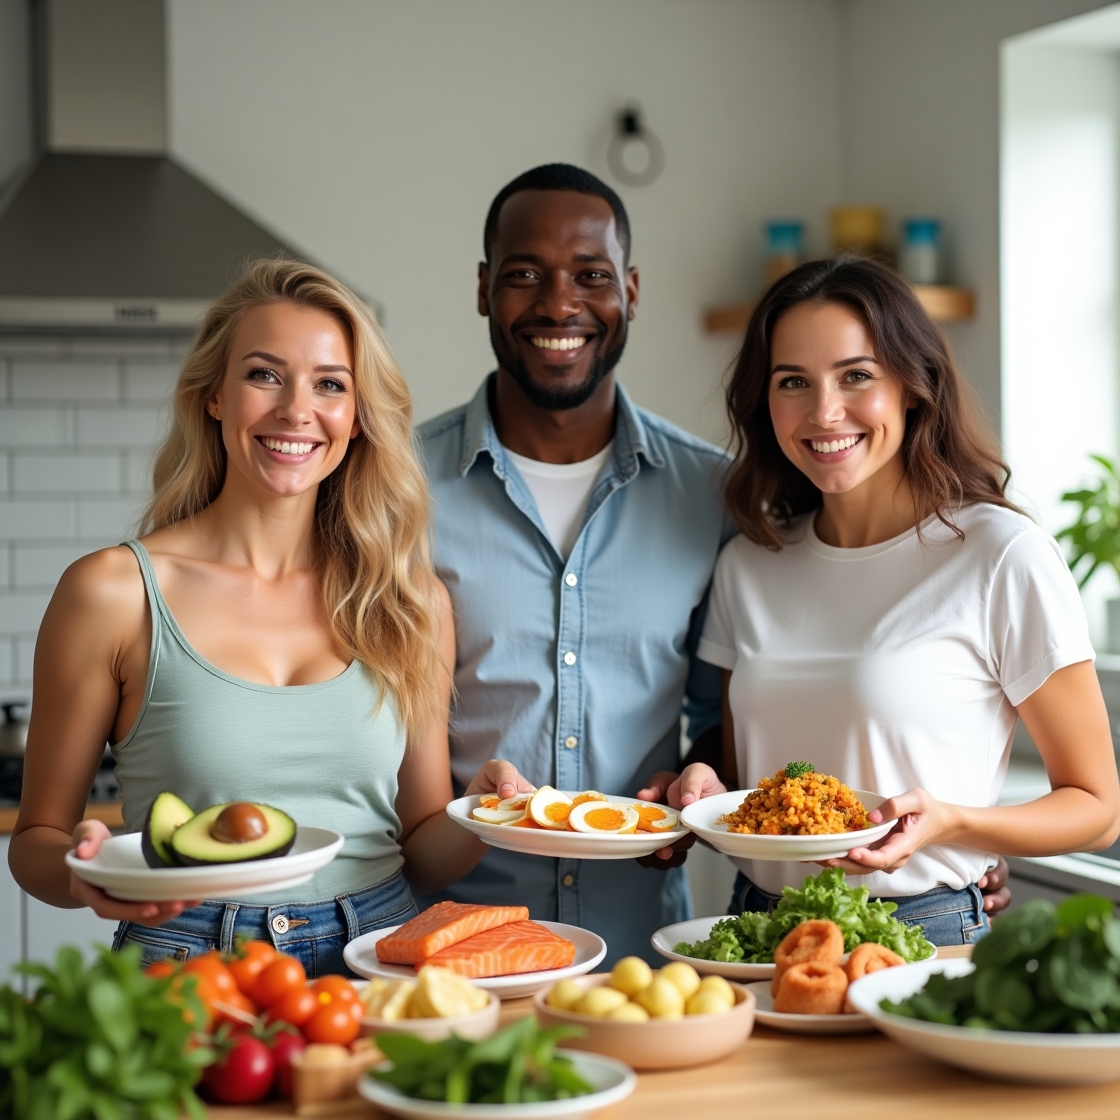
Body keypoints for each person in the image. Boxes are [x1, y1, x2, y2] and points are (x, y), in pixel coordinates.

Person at [8, 259, 524, 974]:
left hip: (380, 954)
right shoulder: (113, 592)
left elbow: (424, 847)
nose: (296, 410)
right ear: (214, 395)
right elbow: (35, 839)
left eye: (330, 384)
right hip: (187, 959)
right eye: (263, 374)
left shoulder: (408, 603)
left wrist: (487, 815)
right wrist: (83, 869)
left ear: (356, 416)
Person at [672, 256, 1120, 943]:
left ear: (913, 387)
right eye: (794, 381)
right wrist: (702, 778)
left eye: (856, 376)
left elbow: (1098, 809)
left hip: (922, 926)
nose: (824, 412)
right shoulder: (748, 564)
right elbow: (749, 778)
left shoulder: (1000, 554)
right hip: (754, 925)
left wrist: (954, 822)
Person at [415, 164, 735, 963]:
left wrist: (696, 783)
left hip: (646, 957)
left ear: (629, 289)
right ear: (486, 289)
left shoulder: (712, 493)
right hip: (448, 951)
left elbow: (725, 714)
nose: (560, 304)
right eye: (526, 275)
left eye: (590, 276)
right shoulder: (393, 488)